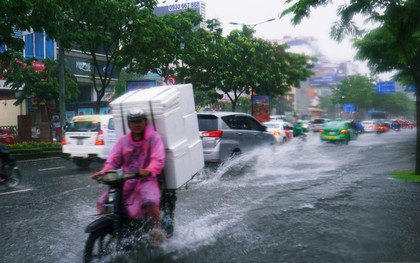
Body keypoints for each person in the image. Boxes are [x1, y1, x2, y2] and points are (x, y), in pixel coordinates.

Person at [91, 108, 166, 245]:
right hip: (126, 180)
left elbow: (158, 159)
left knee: (148, 201)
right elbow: (113, 161)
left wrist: (149, 169)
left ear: (145, 122)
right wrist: (102, 173)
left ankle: (157, 228)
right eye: (133, 121)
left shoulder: (153, 138)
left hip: (147, 180)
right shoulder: (123, 141)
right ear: (129, 124)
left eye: (139, 121)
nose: (136, 124)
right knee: (104, 204)